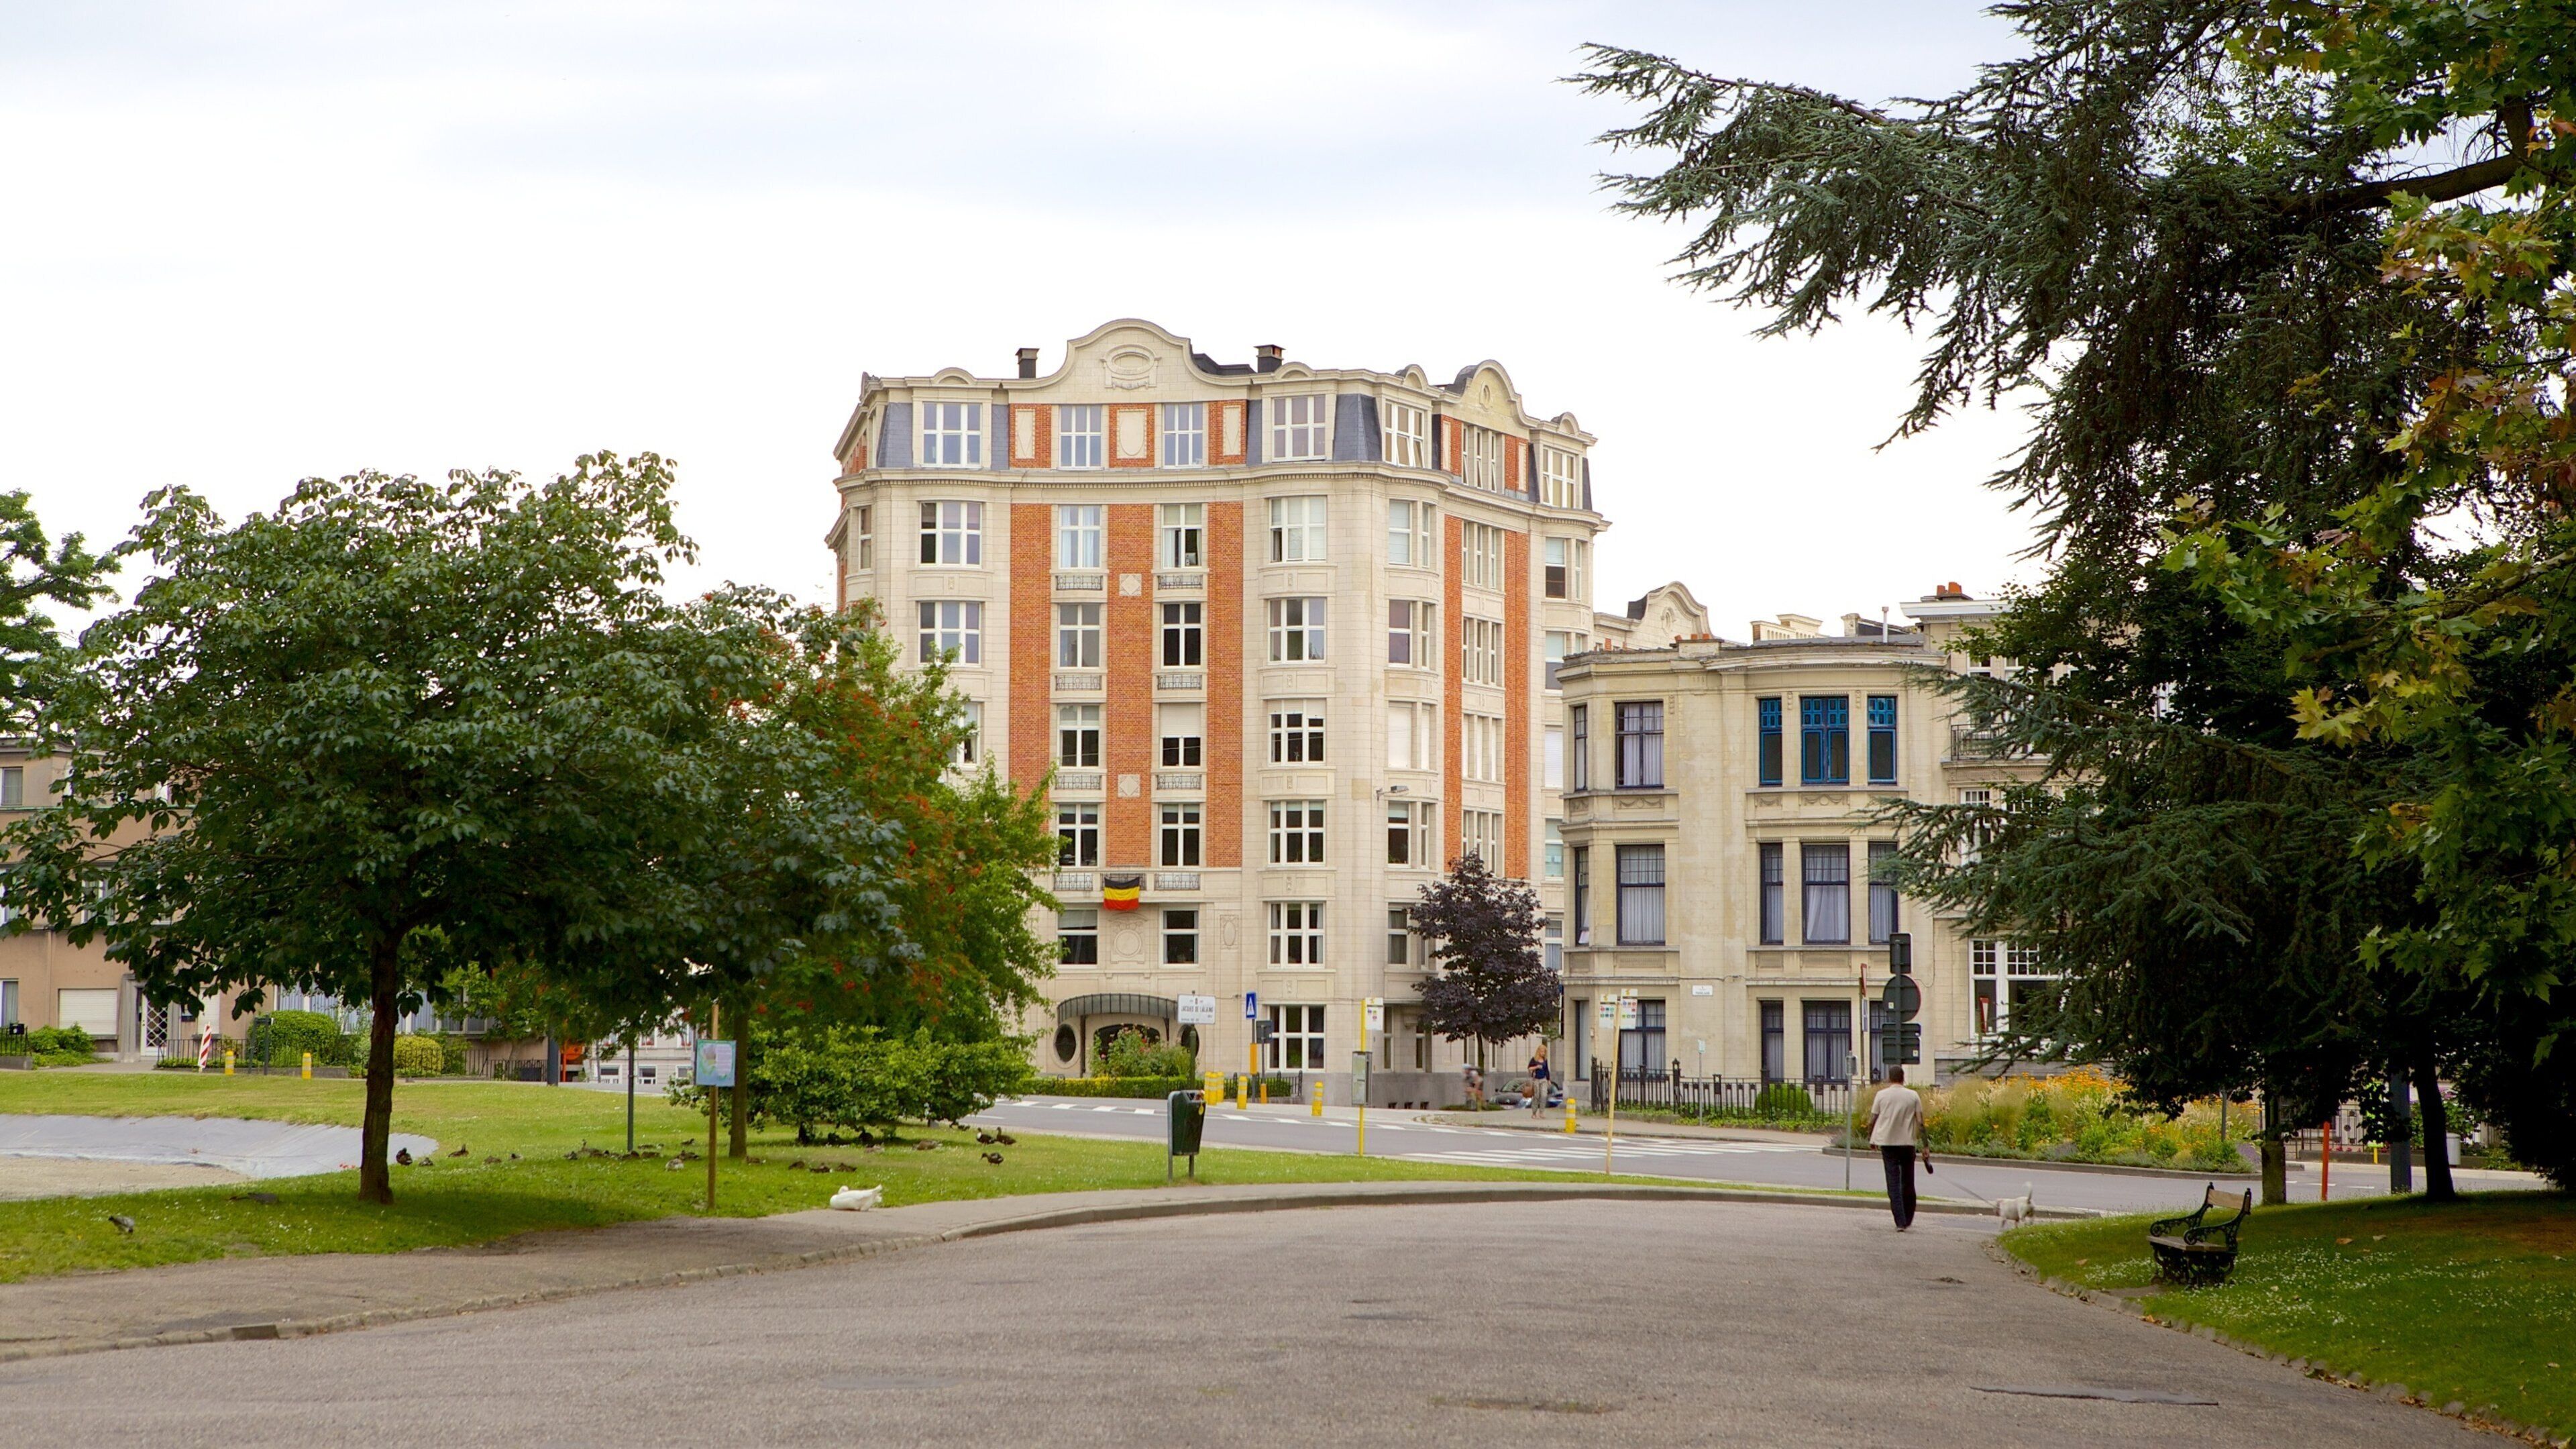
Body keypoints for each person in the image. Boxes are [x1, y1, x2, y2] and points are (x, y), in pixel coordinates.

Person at [1867, 1065, 1925, 1230]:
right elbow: (1920, 1122)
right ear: (1903, 1078)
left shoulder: (1881, 1095)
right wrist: (1926, 1146)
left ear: (1889, 1078)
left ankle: (1900, 1221)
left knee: (1893, 1183)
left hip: (1888, 1143)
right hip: (1907, 1143)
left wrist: (1871, 1138)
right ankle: (1908, 1217)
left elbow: (1873, 1119)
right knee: (1908, 1181)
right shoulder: (1913, 1096)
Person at [1527, 1044, 1553, 1117]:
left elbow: (1547, 1070)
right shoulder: (1534, 1059)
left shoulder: (1545, 1060)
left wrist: (1548, 1079)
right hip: (1536, 1079)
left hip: (1543, 1079)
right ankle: (1534, 1113)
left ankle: (1541, 1112)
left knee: (1544, 1095)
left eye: (1544, 1052)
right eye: (1542, 1052)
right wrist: (1537, 1067)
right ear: (1538, 1052)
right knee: (1537, 1096)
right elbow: (1529, 1068)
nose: (1543, 1053)